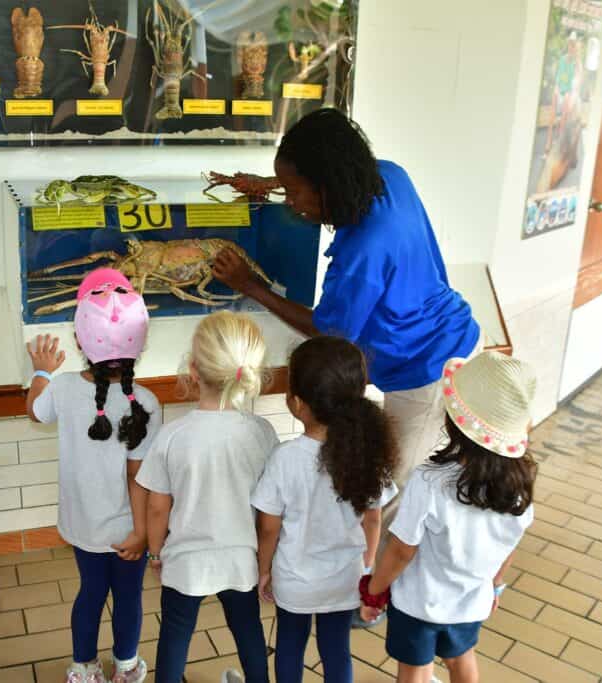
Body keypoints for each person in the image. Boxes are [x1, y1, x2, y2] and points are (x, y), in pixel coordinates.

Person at [212, 108, 482, 569]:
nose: (292, 203)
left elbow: (330, 330)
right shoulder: (388, 176)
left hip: (427, 368)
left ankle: (372, 587)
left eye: (296, 192)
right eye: (287, 189)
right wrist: (271, 184)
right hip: (455, 337)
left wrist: (251, 287)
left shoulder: (365, 247)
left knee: (392, 486)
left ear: (327, 184)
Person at [358, 352, 538, 683]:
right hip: (471, 602)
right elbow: (509, 547)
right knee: (461, 658)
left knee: (414, 667)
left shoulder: (429, 481)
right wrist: (494, 587)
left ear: (454, 421)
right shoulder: (519, 493)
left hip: (418, 603)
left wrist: (375, 590)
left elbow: (401, 550)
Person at [26, 269, 162, 683]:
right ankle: (126, 667)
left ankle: (84, 668)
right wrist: (143, 534)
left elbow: (34, 410)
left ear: (81, 340)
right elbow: (140, 477)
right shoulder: (148, 402)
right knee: (128, 598)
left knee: (89, 594)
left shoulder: (64, 388)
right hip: (129, 530)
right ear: (139, 343)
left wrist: (42, 371)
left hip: (83, 524)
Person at [136, 311, 279, 683]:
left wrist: (155, 552)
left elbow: (157, 507)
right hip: (241, 560)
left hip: (185, 560)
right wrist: (266, 565)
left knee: (174, 636)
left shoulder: (172, 435)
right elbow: (268, 515)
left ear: (194, 370)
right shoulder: (262, 433)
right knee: (248, 631)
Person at [252, 336, 399, 683]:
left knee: (289, 645)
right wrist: (367, 566)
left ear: (297, 403)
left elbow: (269, 527)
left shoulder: (285, 459)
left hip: (295, 580)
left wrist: (263, 569)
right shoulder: (369, 455)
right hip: (344, 578)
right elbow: (373, 518)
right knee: (336, 649)